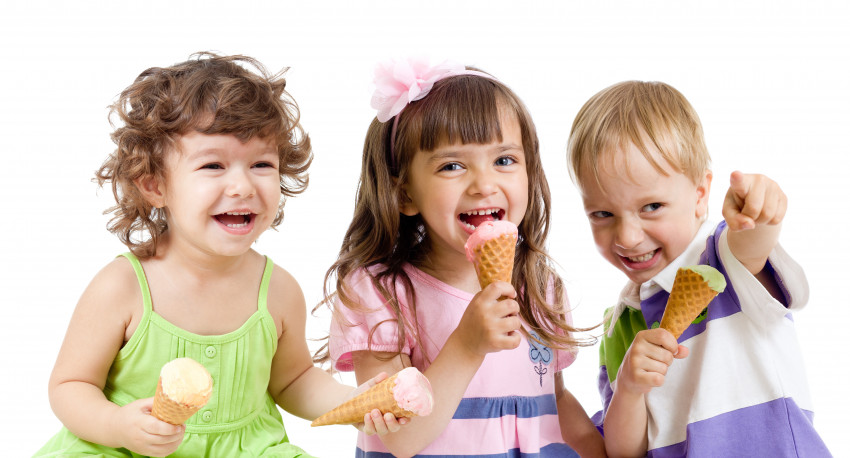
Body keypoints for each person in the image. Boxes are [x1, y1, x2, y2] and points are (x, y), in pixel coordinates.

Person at [36, 52, 402, 458]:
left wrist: (352, 402)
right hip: (128, 448)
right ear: (154, 185)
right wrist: (118, 426)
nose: (242, 186)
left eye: (261, 164)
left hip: (245, 448)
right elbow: (70, 386)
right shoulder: (122, 287)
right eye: (213, 165)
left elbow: (293, 379)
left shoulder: (278, 290)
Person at [314, 58, 606, 458]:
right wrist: (467, 345)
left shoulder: (542, 288)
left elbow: (556, 403)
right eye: (452, 165)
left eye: (504, 160)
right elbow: (402, 438)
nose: (484, 184)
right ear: (405, 193)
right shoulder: (380, 293)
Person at [567, 80, 831, 457]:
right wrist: (628, 388)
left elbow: (752, 246)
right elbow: (626, 452)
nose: (626, 236)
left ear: (700, 194)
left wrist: (760, 212)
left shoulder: (724, 259)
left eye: (652, 206)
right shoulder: (619, 324)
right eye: (603, 214)